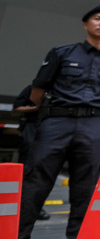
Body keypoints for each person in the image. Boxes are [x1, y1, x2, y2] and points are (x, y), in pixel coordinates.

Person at [19, 3, 100, 239]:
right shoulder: (62, 53)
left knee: (86, 187)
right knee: (36, 181)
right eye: (97, 18)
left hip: (93, 126)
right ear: (85, 24)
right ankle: (20, 234)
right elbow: (38, 89)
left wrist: (91, 116)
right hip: (57, 122)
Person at [12, 85, 50, 221]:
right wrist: (35, 108)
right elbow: (16, 108)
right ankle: (20, 205)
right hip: (32, 127)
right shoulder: (33, 88)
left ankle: (34, 206)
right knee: (26, 168)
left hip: (48, 129)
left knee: (42, 170)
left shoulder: (60, 88)